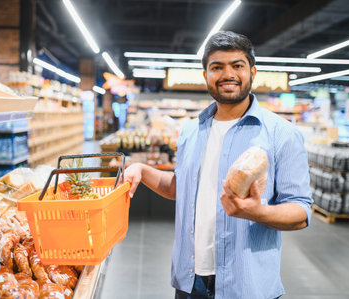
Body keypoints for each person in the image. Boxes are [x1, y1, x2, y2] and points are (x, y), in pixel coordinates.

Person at [124, 31, 313, 299]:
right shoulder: (191, 131)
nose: (228, 74)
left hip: (246, 286)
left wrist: (256, 212)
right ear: (205, 75)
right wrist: (142, 170)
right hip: (189, 282)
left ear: (252, 72)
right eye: (217, 67)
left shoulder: (281, 134)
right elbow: (182, 188)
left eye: (237, 65)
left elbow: (301, 212)